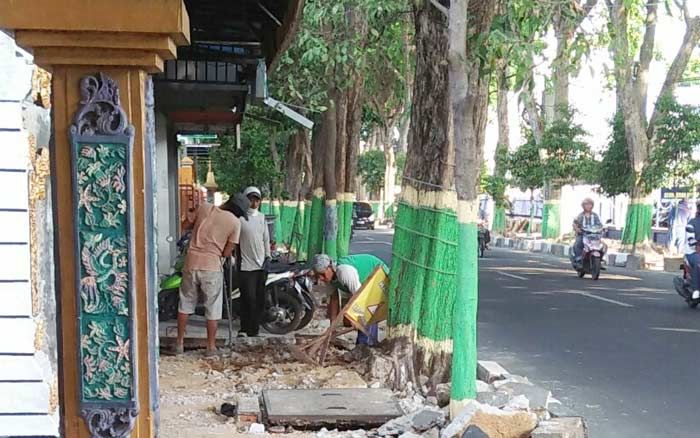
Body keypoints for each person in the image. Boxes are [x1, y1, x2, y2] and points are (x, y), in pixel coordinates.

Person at [176, 194, 247, 357]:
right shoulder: (235, 223)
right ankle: (211, 347)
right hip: (212, 267)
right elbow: (228, 252)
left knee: (185, 303)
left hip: (191, 263)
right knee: (213, 307)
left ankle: (179, 343)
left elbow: (184, 225)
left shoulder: (204, 207)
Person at [311, 253, 388, 345]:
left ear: (330, 267)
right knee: (349, 319)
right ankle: (363, 344)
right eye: (318, 275)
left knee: (367, 312)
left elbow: (359, 297)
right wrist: (332, 327)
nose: (321, 278)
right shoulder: (329, 279)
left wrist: (356, 319)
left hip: (378, 275)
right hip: (360, 287)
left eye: (322, 274)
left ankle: (366, 345)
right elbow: (334, 300)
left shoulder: (344, 272)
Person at [237, 186, 271, 337]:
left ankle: (254, 329)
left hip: (261, 265)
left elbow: (266, 239)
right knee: (247, 298)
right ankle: (244, 328)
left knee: (259, 299)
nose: (254, 203)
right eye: (251, 199)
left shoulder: (262, 218)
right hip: (245, 265)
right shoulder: (240, 219)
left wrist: (268, 256)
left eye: (257, 200)